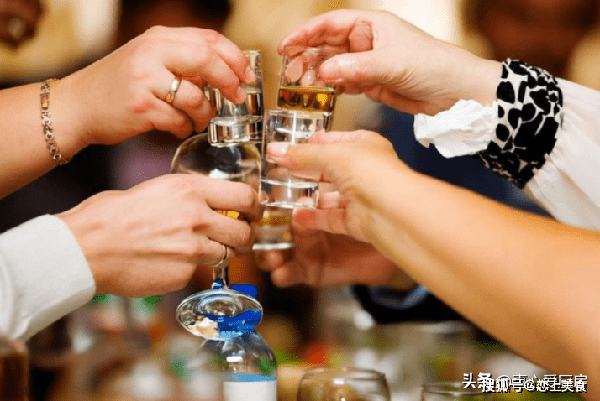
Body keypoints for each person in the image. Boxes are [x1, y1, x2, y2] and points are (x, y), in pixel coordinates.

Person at [258, 9, 600, 397]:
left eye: (569, 21)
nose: (544, 39)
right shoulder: (416, 123)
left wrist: (390, 203)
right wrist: (405, 258)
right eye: (524, 17)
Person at [0, 18, 263, 341]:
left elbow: (244, 281)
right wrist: (91, 247)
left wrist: (78, 100)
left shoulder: (219, 149)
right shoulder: (80, 167)